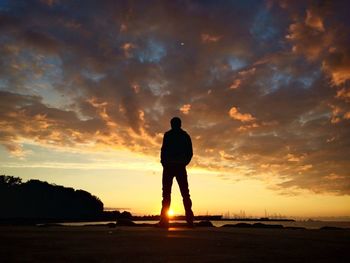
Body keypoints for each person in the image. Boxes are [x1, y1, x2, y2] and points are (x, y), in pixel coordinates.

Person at [159, 117, 194, 227]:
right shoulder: (170, 135)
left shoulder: (183, 136)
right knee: (168, 194)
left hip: (176, 166)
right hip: (171, 166)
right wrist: (164, 162)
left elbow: (190, 152)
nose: (173, 125)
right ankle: (165, 221)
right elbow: (163, 150)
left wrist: (184, 162)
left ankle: (189, 220)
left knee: (182, 193)